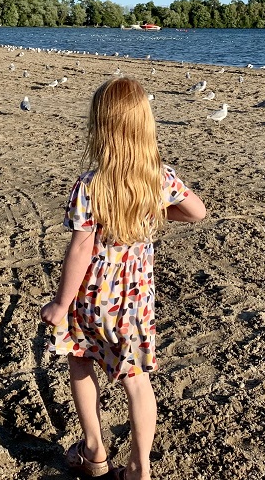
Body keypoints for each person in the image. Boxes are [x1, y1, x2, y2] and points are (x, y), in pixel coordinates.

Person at [41, 76, 206, 480]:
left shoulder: (91, 185)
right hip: (134, 300)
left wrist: (62, 303)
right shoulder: (158, 178)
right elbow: (197, 211)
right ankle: (139, 469)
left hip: (92, 297)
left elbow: (81, 247)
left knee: (80, 361)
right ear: (144, 126)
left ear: (101, 127)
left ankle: (95, 453)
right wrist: (149, 210)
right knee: (136, 381)